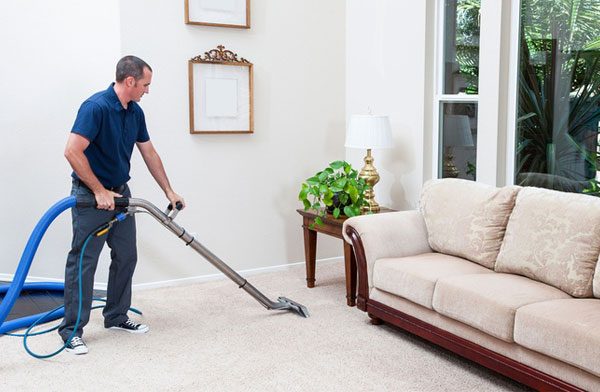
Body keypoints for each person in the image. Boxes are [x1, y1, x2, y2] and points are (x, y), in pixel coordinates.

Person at [60, 55, 185, 354]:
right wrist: (99, 190)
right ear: (129, 81)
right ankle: (71, 331)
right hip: (92, 197)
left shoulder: (135, 112)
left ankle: (116, 316)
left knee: (126, 255)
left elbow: (149, 152)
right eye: (145, 85)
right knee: (84, 262)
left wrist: (168, 191)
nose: (147, 91)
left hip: (121, 195)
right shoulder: (96, 107)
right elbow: (72, 151)